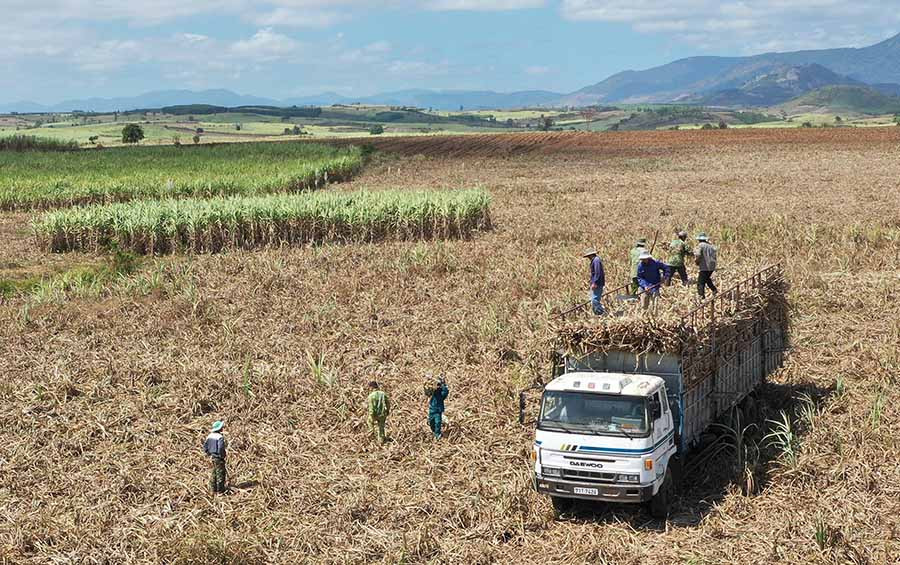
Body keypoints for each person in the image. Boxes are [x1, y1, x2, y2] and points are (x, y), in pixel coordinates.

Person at [203, 420, 228, 494]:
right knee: (220, 473)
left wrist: (208, 454)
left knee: (214, 472)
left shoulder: (209, 436)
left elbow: (205, 447)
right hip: (218, 457)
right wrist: (222, 455)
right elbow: (221, 448)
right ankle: (220, 490)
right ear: (220, 428)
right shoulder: (220, 437)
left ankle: (212, 489)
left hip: (212, 457)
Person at [695, 232, 718, 300]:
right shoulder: (711, 246)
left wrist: (697, 261)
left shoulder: (700, 245)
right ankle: (714, 290)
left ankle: (701, 297)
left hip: (704, 266)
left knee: (700, 283)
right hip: (712, 266)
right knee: (707, 279)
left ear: (699, 240)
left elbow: (698, 255)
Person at [583, 248, 605, 315]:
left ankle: (602, 313)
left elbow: (597, 272)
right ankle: (599, 313)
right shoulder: (595, 260)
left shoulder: (596, 260)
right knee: (594, 299)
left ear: (590, 255)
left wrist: (595, 282)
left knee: (594, 300)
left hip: (598, 283)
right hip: (597, 282)